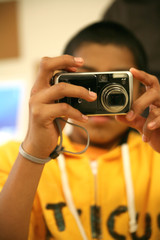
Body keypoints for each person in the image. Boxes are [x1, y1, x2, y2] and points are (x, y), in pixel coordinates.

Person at [0, 21, 160, 240]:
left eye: (116, 83)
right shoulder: (13, 158)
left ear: (142, 89)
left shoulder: (155, 155)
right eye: (88, 81)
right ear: (61, 82)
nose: (98, 97)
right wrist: (33, 155)